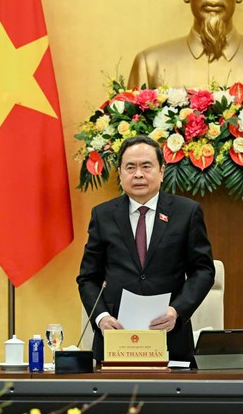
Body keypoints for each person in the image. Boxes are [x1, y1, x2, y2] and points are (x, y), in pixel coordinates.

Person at [77, 135, 215, 362]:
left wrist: (176, 311)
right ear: (120, 173)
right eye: (130, 167)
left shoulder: (186, 212)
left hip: (170, 336)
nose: (138, 174)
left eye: (146, 166)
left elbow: (203, 271)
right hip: (115, 338)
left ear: (161, 171)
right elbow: (88, 278)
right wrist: (101, 317)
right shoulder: (103, 215)